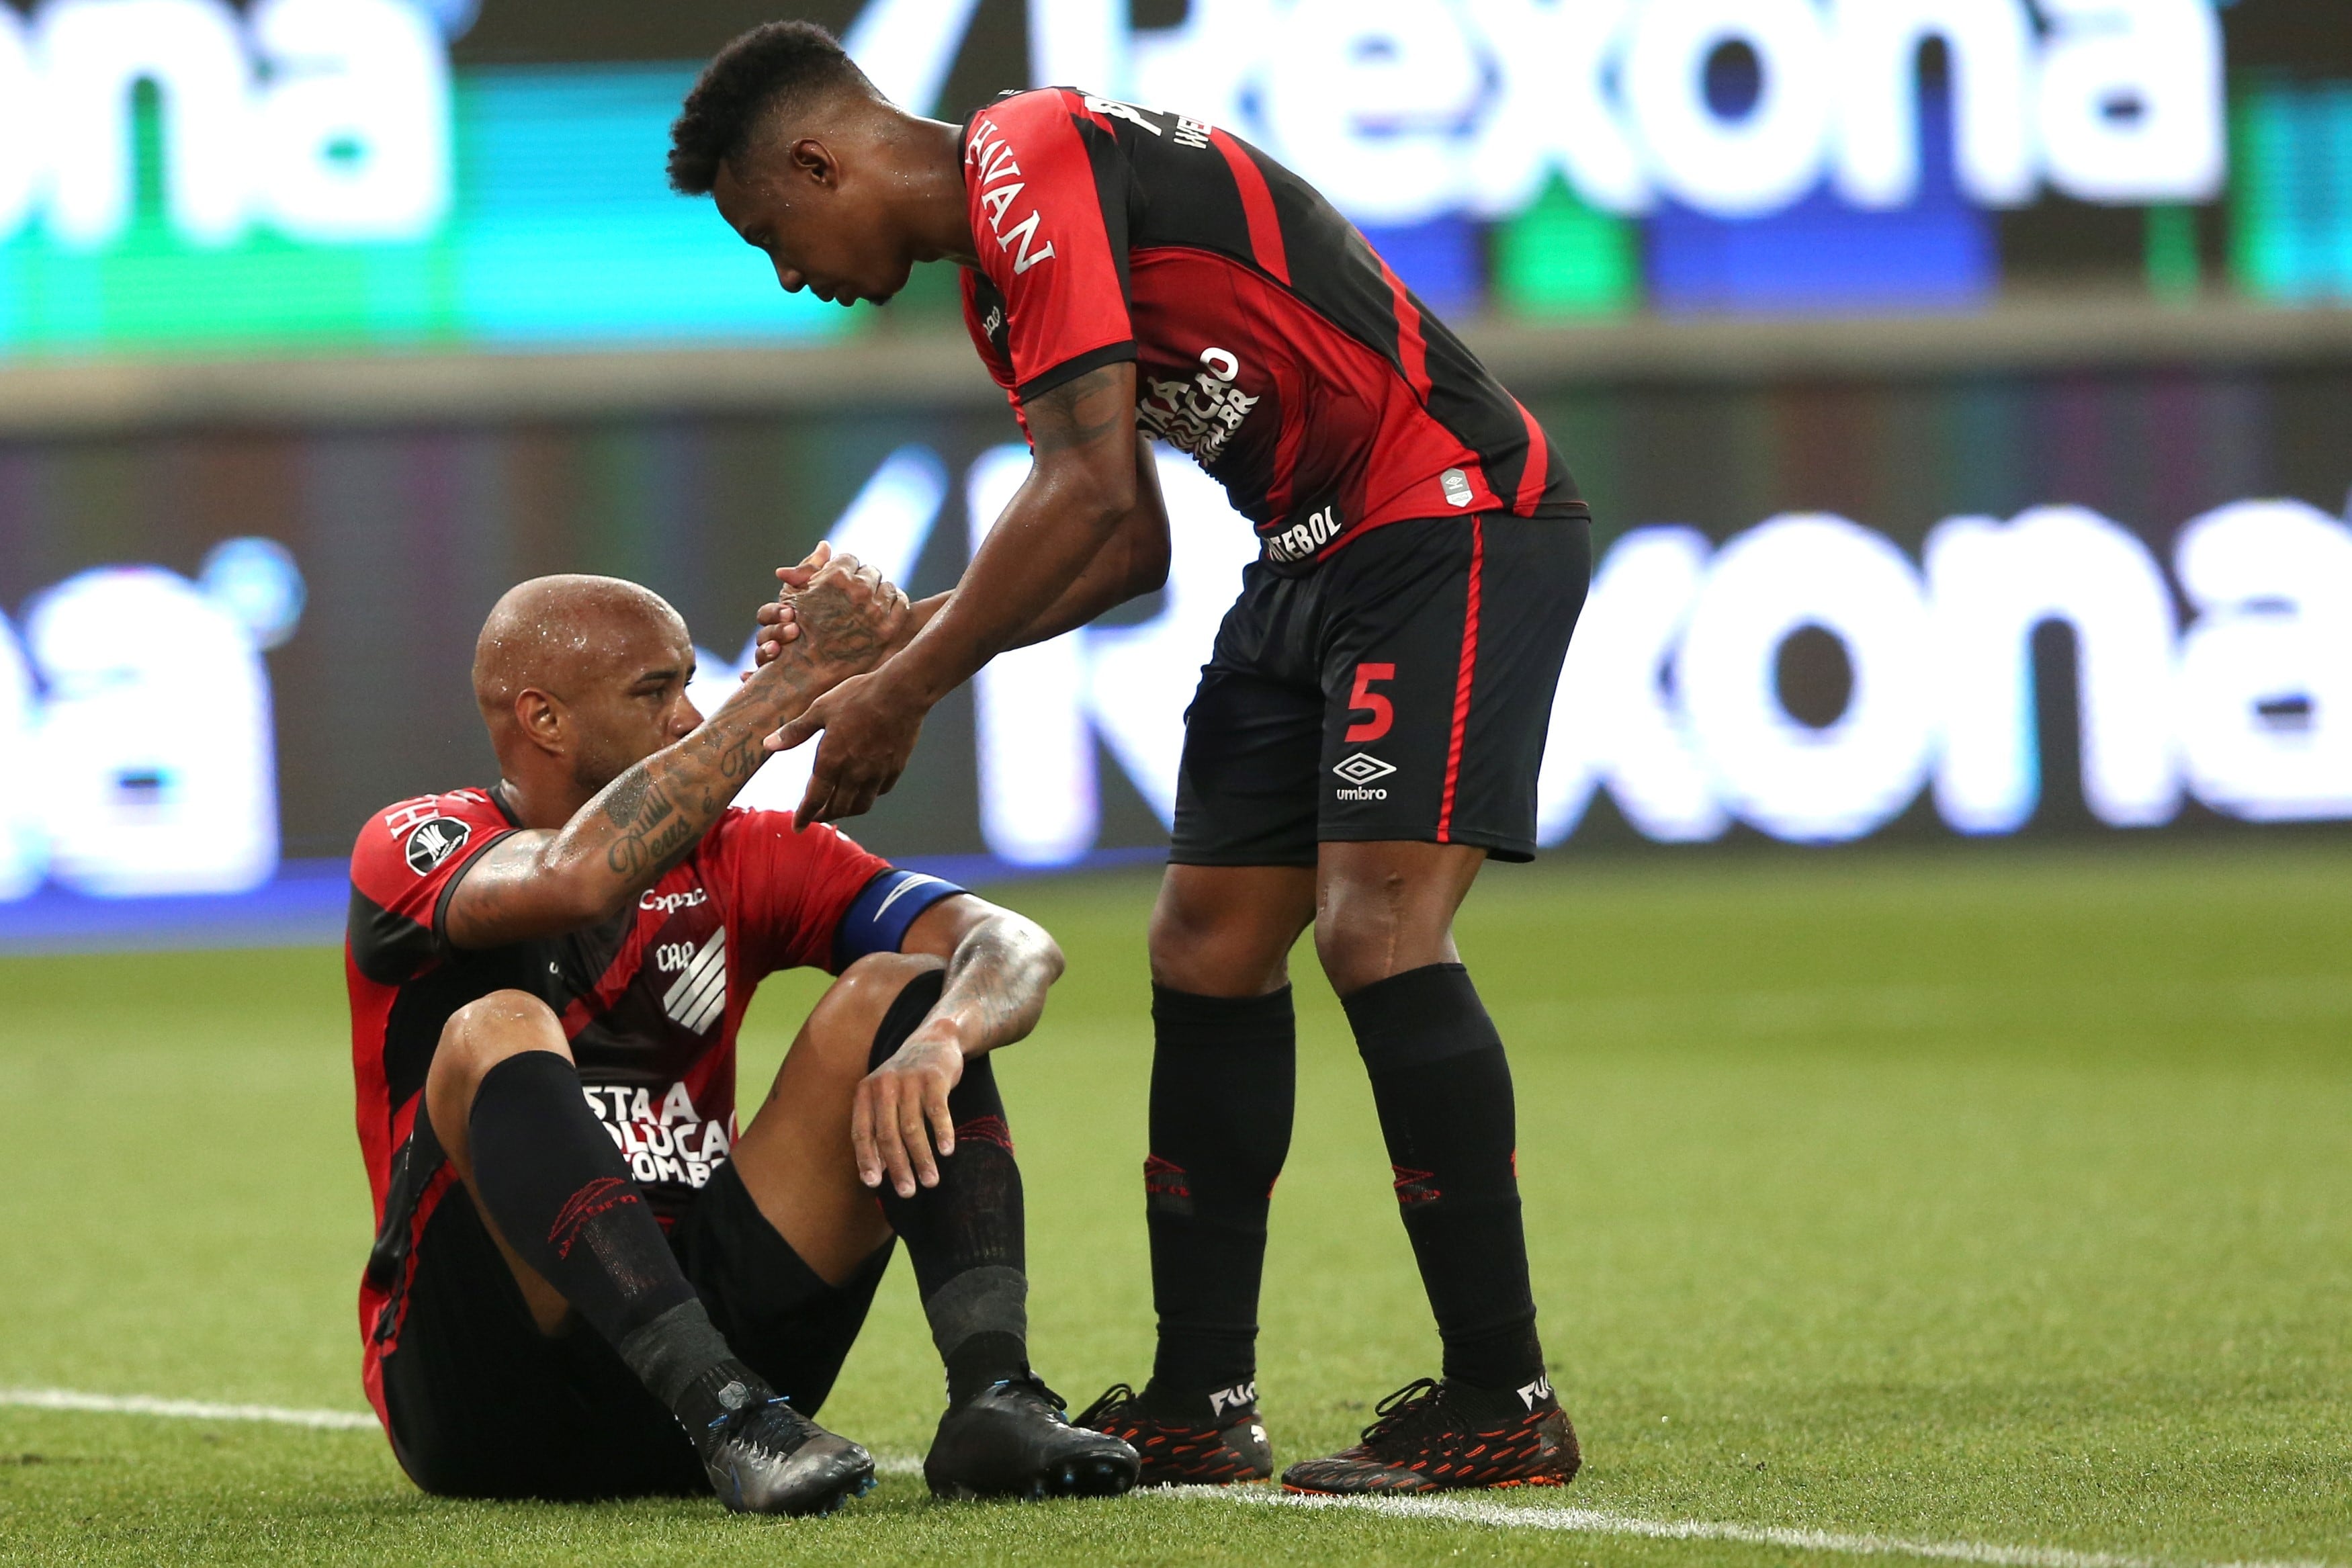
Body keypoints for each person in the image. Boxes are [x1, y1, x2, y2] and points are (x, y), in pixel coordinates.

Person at [666, 24, 1592, 1495]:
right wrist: (890, 647)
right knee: (1206, 944)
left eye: (772, 230)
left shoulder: (1026, 156)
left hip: (1447, 516)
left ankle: (1500, 1394)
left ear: (818, 158)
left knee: (1375, 929)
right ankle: (1199, 1399)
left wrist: (903, 681)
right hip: (1304, 554)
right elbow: (1127, 545)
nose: (788, 273)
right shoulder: (997, 290)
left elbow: (1091, 497)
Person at [345, 559, 1139, 1514]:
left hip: (733, 1355)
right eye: (655, 691)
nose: (687, 716)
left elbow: (1014, 945)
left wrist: (944, 1035)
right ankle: (723, 1410)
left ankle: (992, 1398)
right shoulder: (416, 842)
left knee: (909, 989)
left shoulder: (744, 851)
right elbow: (579, 875)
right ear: (545, 720)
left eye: (690, 683)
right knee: (495, 1027)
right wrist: (795, 681)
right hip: (489, 1396)